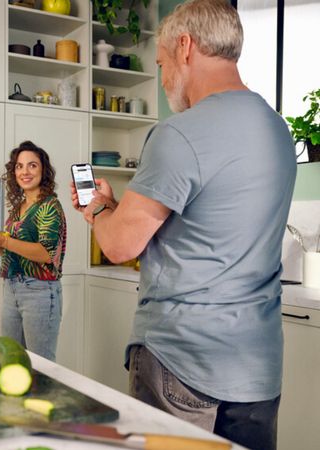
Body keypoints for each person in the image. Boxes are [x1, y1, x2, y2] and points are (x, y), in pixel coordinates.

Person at [70, 1, 296, 449]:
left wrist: (97, 210)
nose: (165, 78)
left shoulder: (179, 133)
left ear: (186, 47)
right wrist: (121, 207)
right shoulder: (277, 130)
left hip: (184, 364)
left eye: (162, 64)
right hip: (258, 369)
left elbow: (119, 246)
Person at [0, 140, 66, 362]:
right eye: (19, 166)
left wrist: (4, 242)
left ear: (43, 171)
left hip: (40, 291)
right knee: (10, 358)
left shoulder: (49, 206)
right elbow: (15, 254)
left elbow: (46, 253)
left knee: (40, 363)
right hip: (12, 287)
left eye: (32, 165)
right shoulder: (19, 208)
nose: (24, 171)